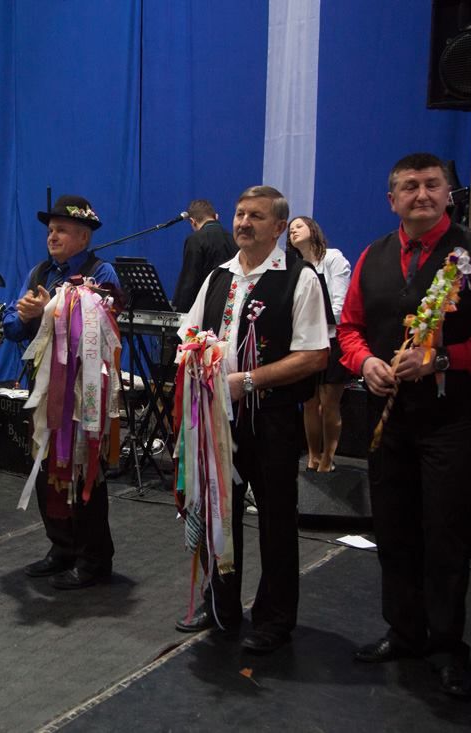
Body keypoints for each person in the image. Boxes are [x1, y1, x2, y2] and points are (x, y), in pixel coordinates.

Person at [338, 152, 471, 699]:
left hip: (451, 420)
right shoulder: (372, 255)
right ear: (391, 199)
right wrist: (364, 363)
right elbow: (349, 329)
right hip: (387, 420)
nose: (420, 194)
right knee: (393, 529)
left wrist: (444, 359)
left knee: (444, 533)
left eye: (431, 185)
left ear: (448, 194)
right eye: (409, 186)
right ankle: (403, 631)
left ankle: (445, 645)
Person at [176, 185, 328, 652]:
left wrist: (250, 380)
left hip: (273, 419)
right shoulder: (218, 276)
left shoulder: (299, 279)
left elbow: (315, 355)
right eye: (240, 214)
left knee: (276, 521)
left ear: (279, 227)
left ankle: (275, 619)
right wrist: (195, 357)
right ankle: (220, 604)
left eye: (256, 216)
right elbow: (189, 332)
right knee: (218, 512)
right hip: (217, 418)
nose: (243, 223)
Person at [3, 194, 121, 589]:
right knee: (45, 467)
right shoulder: (40, 271)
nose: (52, 236)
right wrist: (23, 316)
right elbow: (13, 324)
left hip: (83, 388)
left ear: (83, 237)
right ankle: (61, 545)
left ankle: (94, 557)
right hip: (45, 387)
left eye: (62, 230)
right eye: (50, 230)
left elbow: (103, 321)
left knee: (84, 467)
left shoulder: (101, 272)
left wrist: (48, 311)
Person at [286, 216, 352, 472]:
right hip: (305, 342)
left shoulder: (334, 258)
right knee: (309, 401)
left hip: (332, 339)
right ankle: (313, 456)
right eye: (290, 229)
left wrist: (311, 319)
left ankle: (328, 458)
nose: (293, 231)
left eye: (299, 226)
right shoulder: (294, 266)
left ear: (312, 230)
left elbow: (339, 305)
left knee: (329, 403)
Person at [171, 199, 238, 313]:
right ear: (216, 216)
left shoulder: (195, 239)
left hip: (204, 305)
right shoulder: (234, 239)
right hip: (229, 305)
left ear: (192, 221)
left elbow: (190, 278)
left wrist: (180, 310)